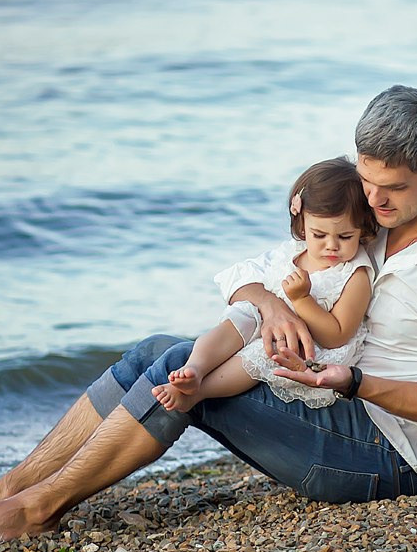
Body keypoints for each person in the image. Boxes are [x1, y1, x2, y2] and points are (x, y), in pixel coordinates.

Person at [0, 86, 417, 546]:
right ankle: (13, 487)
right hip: (331, 407)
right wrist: (272, 304)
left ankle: (36, 507)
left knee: (173, 366)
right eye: (366, 179)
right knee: (154, 350)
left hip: (391, 457)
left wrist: (350, 381)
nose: (375, 201)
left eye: (394, 189)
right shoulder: (369, 214)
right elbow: (251, 269)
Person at [150, 157, 375, 413]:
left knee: (265, 351)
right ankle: (195, 367)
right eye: (319, 235)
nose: (331, 245)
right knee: (241, 314)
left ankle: (198, 392)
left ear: (363, 228)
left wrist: (302, 301)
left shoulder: (354, 274)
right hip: (266, 322)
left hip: (307, 348)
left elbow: (337, 335)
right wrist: (265, 305)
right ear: (301, 224)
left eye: (345, 236)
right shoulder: (292, 252)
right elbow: (243, 278)